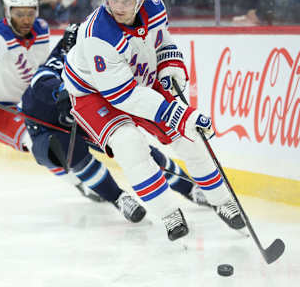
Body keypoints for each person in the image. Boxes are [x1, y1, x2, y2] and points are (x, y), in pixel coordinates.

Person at [62, 0, 245, 241]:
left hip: (136, 76)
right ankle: (169, 213)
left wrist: (171, 65)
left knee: (189, 138)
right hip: (94, 93)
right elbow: (124, 97)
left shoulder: (155, 6)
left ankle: (223, 201)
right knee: (129, 145)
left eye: (126, 0)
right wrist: (181, 115)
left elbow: (162, 42)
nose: (118, 7)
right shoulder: (97, 35)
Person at [21, 25, 212, 220]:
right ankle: (118, 198)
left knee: (136, 149)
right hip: (43, 123)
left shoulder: (103, 55)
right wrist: (61, 91)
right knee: (73, 153)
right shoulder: (65, 56)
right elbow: (40, 80)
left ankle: (189, 188)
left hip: (79, 115)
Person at [0, 0, 100, 203]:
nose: (25, 19)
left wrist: (64, 49)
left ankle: (92, 173)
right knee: (37, 140)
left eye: (30, 13)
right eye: (19, 13)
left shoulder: (41, 28)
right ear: (7, 11)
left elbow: (42, 66)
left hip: (28, 101)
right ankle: (80, 182)